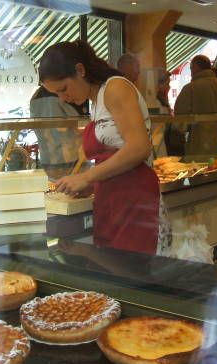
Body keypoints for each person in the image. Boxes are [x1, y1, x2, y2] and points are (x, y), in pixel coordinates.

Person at [38, 40, 171, 255]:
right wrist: (91, 185)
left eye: (63, 89)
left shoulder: (115, 87)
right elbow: (114, 154)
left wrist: (87, 177)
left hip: (135, 199)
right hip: (112, 198)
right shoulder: (96, 100)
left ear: (80, 70)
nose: (63, 98)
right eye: (57, 94)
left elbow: (138, 148)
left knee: (131, 273)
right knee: (112, 270)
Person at [173, 55, 217, 159]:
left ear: (196, 67)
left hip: (200, 150)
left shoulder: (190, 89)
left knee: (205, 173)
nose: (191, 72)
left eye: (191, 68)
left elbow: (180, 123)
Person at [29, 85, 88, 180]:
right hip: (73, 161)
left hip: (47, 161)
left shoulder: (35, 96)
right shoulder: (68, 94)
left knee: (55, 191)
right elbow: (81, 127)